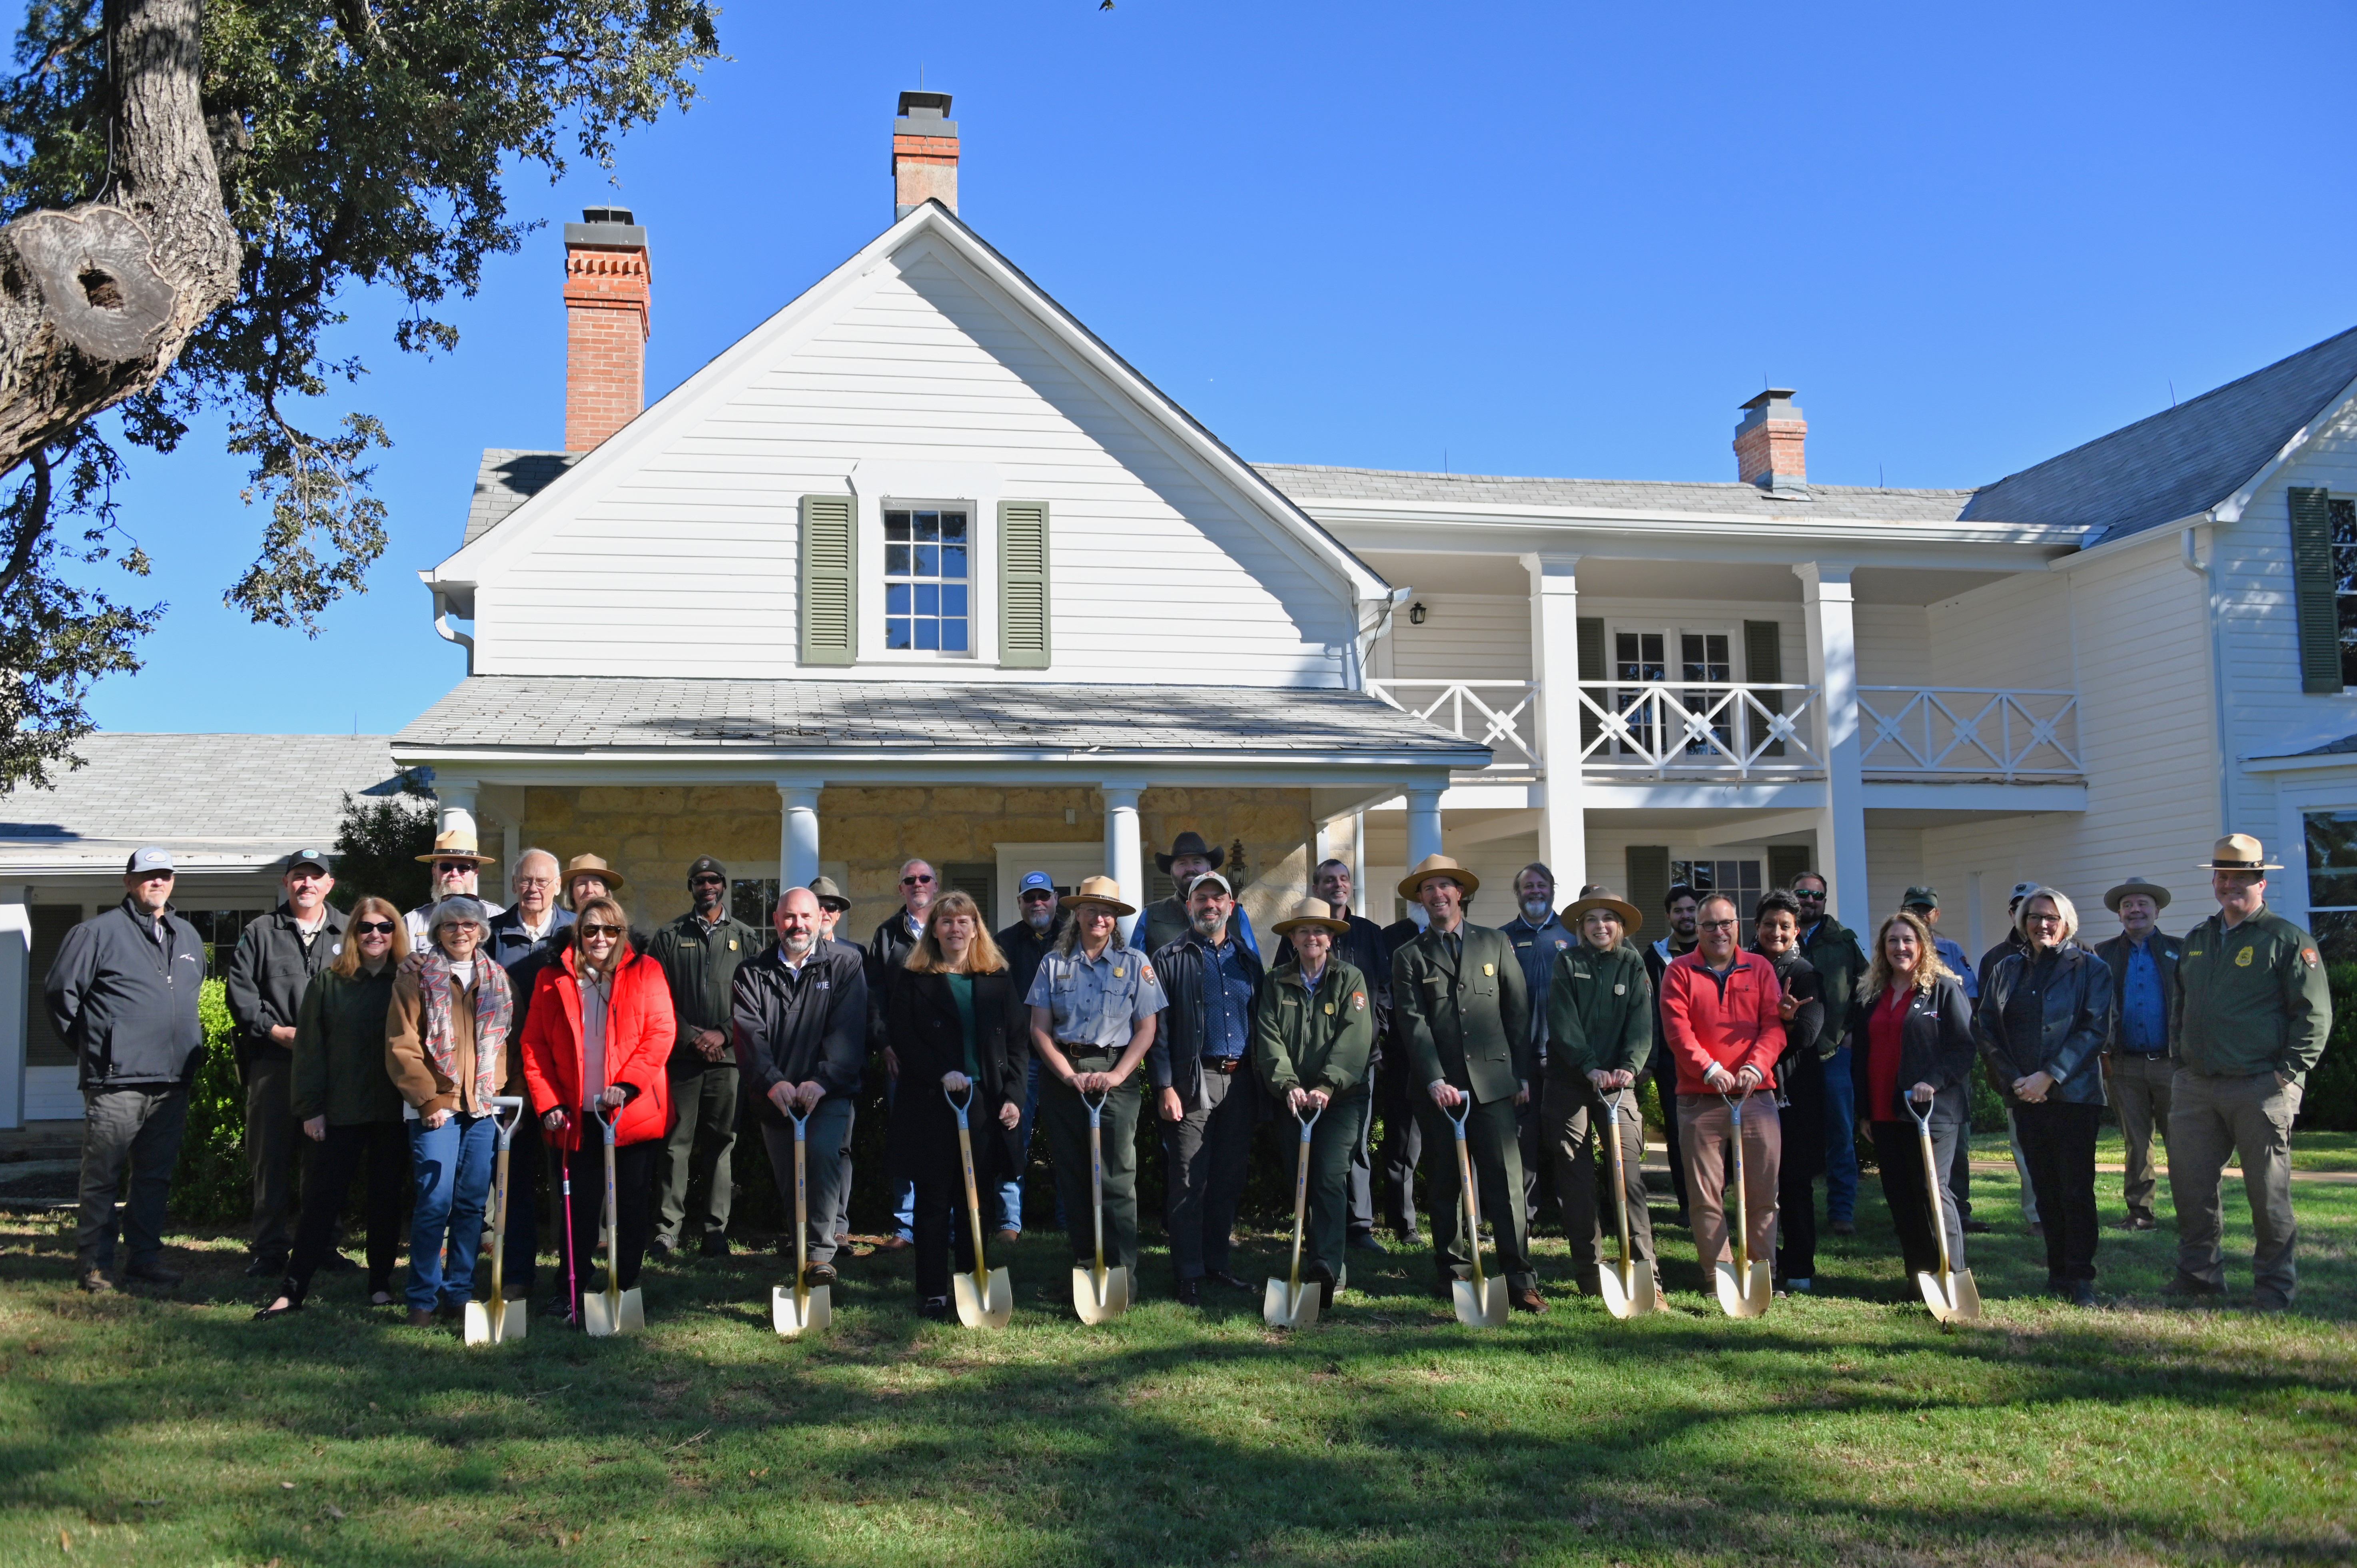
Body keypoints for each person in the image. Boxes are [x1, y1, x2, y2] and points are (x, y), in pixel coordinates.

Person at [2164, 835, 2331, 1312]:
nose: (2230, 885)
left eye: (2242, 878)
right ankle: (2199, 1275)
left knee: (2268, 1196)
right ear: (2215, 882)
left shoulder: (2287, 940)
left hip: (2262, 1086)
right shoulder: (2197, 940)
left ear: (2262, 882)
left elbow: (2313, 1016)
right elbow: (2182, 1007)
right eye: (2223, 877)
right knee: (2191, 1189)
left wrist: (2288, 1074)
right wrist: (2181, 1062)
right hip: (2196, 1085)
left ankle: (2274, 1289)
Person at [46, 847, 207, 1293]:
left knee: (155, 1177)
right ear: (128, 881)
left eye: (164, 875)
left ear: (173, 881)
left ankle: (145, 1258)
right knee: (103, 1176)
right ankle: (95, 1265)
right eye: (147, 876)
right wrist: (96, 1047)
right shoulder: (95, 933)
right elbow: (60, 995)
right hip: (116, 1082)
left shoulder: (189, 936)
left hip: (173, 1080)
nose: (156, 882)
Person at [1391, 855, 1542, 1312]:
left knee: (1506, 1182)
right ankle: (1454, 1271)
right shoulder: (1409, 956)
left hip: (1494, 1085)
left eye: (1445, 887)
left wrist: (1519, 1074)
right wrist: (1434, 1079)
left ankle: (1519, 1277)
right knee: (1446, 1182)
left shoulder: (1495, 943)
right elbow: (1413, 1025)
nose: (1438, 895)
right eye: (1429, 889)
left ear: (1461, 894)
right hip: (1438, 1091)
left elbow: (1518, 1012)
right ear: (1420, 898)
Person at [519, 896, 674, 1326]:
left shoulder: (647, 971)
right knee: (578, 1210)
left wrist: (625, 1086)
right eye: (591, 931)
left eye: (610, 930)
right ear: (578, 935)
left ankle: (621, 1287)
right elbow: (534, 1045)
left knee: (629, 1207)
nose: (600, 938)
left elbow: (660, 1033)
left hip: (631, 1114)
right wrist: (547, 1101)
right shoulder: (553, 978)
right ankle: (570, 1287)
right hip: (575, 1117)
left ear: (622, 934)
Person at [255, 897, 409, 1318]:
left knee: (386, 1201)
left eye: (385, 927)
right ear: (353, 934)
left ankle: (380, 1283)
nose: (376, 934)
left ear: (396, 932)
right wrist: (310, 1109)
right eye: (366, 927)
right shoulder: (329, 984)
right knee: (322, 1201)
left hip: (393, 1113)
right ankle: (292, 1288)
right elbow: (309, 1051)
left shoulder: (409, 982)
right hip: (340, 1111)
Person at [886, 891, 1027, 1319]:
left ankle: (970, 1279)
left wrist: (1015, 1096)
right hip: (932, 1101)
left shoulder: (998, 977)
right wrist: (940, 1072)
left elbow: (1018, 1042)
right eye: (946, 922)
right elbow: (904, 1038)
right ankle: (931, 1289)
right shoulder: (914, 978)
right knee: (933, 1197)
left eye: (963, 921)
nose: (955, 929)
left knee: (976, 1197)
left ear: (975, 928)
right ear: (935, 930)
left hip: (984, 1102)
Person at [1028, 876, 1168, 1295]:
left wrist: (1118, 1075)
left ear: (1116, 918)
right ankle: (1087, 1262)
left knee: (1116, 1175)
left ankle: (1123, 1269)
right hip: (1065, 1076)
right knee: (1073, 1173)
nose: (1099, 917)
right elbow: (1040, 1030)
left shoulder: (1135, 963)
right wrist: (1068, 1075)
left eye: (1107, 911)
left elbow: (1147, 1029)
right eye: (1091, 909)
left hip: (1115, 1075)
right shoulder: (1054, 965)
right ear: (1078, 913)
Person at [1976, 887, 2113, 1307]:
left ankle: (2081, 1277)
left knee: (2075, 1188)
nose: (2043, 924)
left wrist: (2049, 1076)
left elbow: (2094, 1029)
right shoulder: (2006, 970)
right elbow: (1987, 1028)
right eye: (2035, 917)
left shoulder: (2092, 968)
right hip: (2025, 1096)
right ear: (2023, 923)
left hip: (2074, 1096)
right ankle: (2057, 1273)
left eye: (2052, 917)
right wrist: (2017, 1080)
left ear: (2067, 922)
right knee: (2044, 1188)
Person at [386, 896, 516, 1329]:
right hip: (436, 1109)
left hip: (483, 1108)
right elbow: (402, 1044)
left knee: (471, 1204)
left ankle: (459, 1292)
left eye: (469, 925)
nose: (460, 932)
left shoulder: (498, 979)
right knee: (434, 1201)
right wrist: (427, 1100)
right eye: (450, 925)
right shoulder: (416, 976)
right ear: (437, 931)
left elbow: (504, 1046)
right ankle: (422, 1296)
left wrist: (502, 1093)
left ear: (482, 931)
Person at [735, 888, 869, 1290]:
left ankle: (820, 1256)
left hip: (828, 1091)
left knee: (823, 1157)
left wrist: (822, 1080)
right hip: (773, 1095)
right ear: (777, 921)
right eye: (790, 917)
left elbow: (848, 1029)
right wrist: (772, 1080)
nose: (799, 924)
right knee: (789, 1175)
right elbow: (748, 1034)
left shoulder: (845, 964)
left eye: (807, 917)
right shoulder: (752, 972)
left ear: (820, 920)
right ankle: (801, 1249)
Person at [224, 848, 349, 1278]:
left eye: (316, 877)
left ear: (329, 884)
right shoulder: (261, 931)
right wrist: (274, 1030)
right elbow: (240, 994)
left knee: (325, 1161)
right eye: (299, 876)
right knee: (270, 1159)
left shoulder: (348, 931)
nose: (307, 884)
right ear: (286, 883)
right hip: (273, 1064)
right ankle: (269, 1249)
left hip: (331, 1069)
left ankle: (323, 1247)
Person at [1149, 871, 1267, 1304]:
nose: (1210, 906)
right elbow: (1157, 1031)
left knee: (1227, 1179)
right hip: (1190, 1080)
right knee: (1187, 1179)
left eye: (1219, 900)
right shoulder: (1168, 958)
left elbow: (1262, 1023)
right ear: (1189, 905)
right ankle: (1188, 1272)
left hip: (1240, 1083)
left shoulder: (1248, 961)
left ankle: (1217, 1264)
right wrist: (1165, 1085)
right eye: (1202, 898)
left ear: (1231, 908)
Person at [1253, 897, 1377, 1309]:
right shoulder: (1275, 982)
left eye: (1319, 930)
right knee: (1301, 1180)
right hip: (1292, 1100)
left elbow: (1355, 1037)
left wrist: (1326, 1086)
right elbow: (1268, 1037)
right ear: (1291, 936)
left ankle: (1328, 1268)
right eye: (1303, 930)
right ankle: (1311, 1256)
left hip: (1340, 1098)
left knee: (1327, 1175)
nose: (1312, 937)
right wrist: (1288, 1084)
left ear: (1331, 938)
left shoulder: (1350, 979)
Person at [1660, 892, 1785, 1299]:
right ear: (1697, 929)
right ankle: (1720, 1279)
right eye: (1710, 925)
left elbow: (1774, 1026)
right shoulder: (1679, 971)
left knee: (1763, 1195)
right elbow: (1678, 1032)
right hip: (1700, 1099)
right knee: (1705, 1196)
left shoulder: (1760, 967)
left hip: (1755, 1097)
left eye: (1726, 923)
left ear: (1738, 926)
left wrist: (1755, 1066)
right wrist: (1710, 1069)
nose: (1719, 931)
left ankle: (1761, 1275)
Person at [1846, 909, 1976, 1296]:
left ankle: (1951, 1275)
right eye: (1892, 941)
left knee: (1932, 1191)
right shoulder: (1872, 994)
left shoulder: (1944, 988)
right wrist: (1865, 1111)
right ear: (1882, 948)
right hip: (1886, 1112)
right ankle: (1920, 1278)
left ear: (1923, 945)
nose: (1900, 948)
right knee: (1901, 1196)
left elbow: (1963, 1048)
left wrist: (1932, 1083)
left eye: (1908, 940)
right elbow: (1862, 1057)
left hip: (1932, 1112)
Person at [1542, 885, 1658, 1299]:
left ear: (1621, 926)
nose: (1600, 925)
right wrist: (1588, 1064)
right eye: (1591, 919)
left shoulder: (1633, 964)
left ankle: (1647, 1277)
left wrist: (1628, 1068)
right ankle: (1591, 1277)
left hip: (1618, 1084)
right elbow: (1563, 1020)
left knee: (1627, 1175)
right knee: (1575, 1177)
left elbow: (1642, 1024)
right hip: (1571, 1079)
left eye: (1608, 918)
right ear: (1580, 926)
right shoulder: (1567, 961)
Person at [646, 857, 762, 1261]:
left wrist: (725, 1034)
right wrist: (693, 1036)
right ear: (691, 886)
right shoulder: (669, 936)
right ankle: (667, 1230)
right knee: (675, 1145)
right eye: (700, 880)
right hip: (682, 1056)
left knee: (721, 1144)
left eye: (714, 880)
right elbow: (656, 997)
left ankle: (716, 1230)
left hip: (728, 1059)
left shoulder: (746, 937)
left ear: (724, 886)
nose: (707, 885)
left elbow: (756, 998)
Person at [1276, 858, 1392, 1252]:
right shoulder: (1285, 965)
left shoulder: (1369, 936)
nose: (1337, 885)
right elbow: (1274, 1018)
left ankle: (1356, 1228)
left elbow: (1383, 993)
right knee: (1308, 1162)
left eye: (1343, 879)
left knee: (1347, 1152)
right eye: (1328, 880)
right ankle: (1315, 1236)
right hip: (1299, 1078)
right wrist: (1289, 1080)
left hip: (1355, 1070)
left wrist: (1377, 1033)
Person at [483, 847, 570, 1309]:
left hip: (563, 1079)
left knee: (568, 1182)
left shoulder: (578, 930)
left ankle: (569, 1276)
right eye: (525, 881)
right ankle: (516, 1274)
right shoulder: (491, 935)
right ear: (514, 884)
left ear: (558, 885)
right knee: (512, 1181)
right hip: (510, 1078)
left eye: (542, 881)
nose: (533, 889)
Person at [2094, 875, 2181, 1232]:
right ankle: (2140, 1213)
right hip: (2122, 1064)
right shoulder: (2101, 954)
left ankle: (2193, 1212)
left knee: (2183, 1141)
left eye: (2142, 904)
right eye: (2127, 905)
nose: (2135, 910)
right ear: (2119, 915)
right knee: (2136, 1143)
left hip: (2172, 1063)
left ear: (2157, 910)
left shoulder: (2182, 950)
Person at [1751, 891, 1826, 1293]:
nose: (1775, 932)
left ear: (1796, 930)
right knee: (1756, 1181)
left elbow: (1810, 1034)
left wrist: (1785, 1023)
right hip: (1749, 1086)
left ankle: (1798, 1265)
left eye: (1784, 926)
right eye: (1768, 924)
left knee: (1794, 1181)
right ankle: (1760, 1261)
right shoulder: (1741, 966)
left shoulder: (1805, 972)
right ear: (1756, 925)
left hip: (1793, 1088)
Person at [992, 870, 1071, 1243]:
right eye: (1029, 898)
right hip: (1022, 1059)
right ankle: (1010, 1222)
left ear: (1055, 899)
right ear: (1020, 903)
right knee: (1013, 1137)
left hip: (1066, 1055)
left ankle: (1068, 1217)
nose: (1037, 903)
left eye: (1043, 896)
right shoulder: (1002, 944)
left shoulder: (1074, 939)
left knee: (1067, 1138)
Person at [1902, 886, 1982, 1240]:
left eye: (1926, 910)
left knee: (1955, 1143)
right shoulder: (1896, 949)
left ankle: (1957, 1210)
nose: (1921, 915)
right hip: (1910, 1068)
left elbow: (1972, 1001)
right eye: (1913, 909)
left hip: (1947, 1067)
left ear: (1935, 915)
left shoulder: (1952, 952)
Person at [865, 858, 936, 1251]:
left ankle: (950, 1220)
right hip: (902, 1059)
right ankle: (905, 1227)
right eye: (910, 880)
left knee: (947, 1136)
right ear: (901, 889)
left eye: (924, 878)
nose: (917, 884)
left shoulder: (952, 926)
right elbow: (874, 996)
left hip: (946, 1057)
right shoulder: (887, 935)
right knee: (906, 1138)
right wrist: (885, 1043)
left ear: (936, 885)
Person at [1790, 872, 1865, 1238]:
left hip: (1834, 1052)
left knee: (1840, 1133)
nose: (1809, 900)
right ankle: (1789, 1207)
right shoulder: (1777, 939)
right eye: (1802, 894)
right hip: (1789, 1056)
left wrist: (1852, 1031)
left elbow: (1868, 989)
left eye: (1816, 895)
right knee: (1792, 1134)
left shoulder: (1843, 942)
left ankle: (1841, 1211)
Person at [1500, 862, 1572, 1234]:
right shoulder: (1501, 939)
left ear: (1552, 889)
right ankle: (1523, 1218)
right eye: (1528, 886)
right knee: (1523, 1142)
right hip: (1521, 1059)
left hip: (1565, 1059)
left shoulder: (1573, 935)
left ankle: (1569, 1215)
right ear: (1518, 893)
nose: (1535, 892)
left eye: (1541, 885)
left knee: (1565, 1140)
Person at [1976, 882, 2046, 1235]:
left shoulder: (2076, 952)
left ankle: (2065, 1210)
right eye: (2019, 907)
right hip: (2014, 1073)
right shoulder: (1995, 959)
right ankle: (2036, 1215)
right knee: (2023, 1145)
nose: (2028, 915)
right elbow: (1987, 1023)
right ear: (2012, 914)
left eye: (2032, 907)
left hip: (2060, 1073)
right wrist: (2004, 1072)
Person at [1643, 883, 1701, 1226]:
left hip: (1713, 1057)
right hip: (1671, 1060)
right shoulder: (1655, 956)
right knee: (1680, 1133)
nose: (1686, 916)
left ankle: (1717, 1198)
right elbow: (1650, 1009)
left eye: (1691, 910)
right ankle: (1686, 1205)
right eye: (1678, 911)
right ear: (1669, 916)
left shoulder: (1716, 949)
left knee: (1716, 1132)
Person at [1136, 830, 1261, 956]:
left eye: (1197, 862)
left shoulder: (1236, 914)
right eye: (1182, 863)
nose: (1190, 869)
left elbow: (1254, 966)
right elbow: (1135, 967)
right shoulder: (1151, 915)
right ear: (1171, 871)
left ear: (1209, 868)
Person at [405, 830, 501, 952]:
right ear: (434, 872)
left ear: (475, 873)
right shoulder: (412, 922)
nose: (454, 874)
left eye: (464, 868)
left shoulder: (497, 916)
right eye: (446, 867)